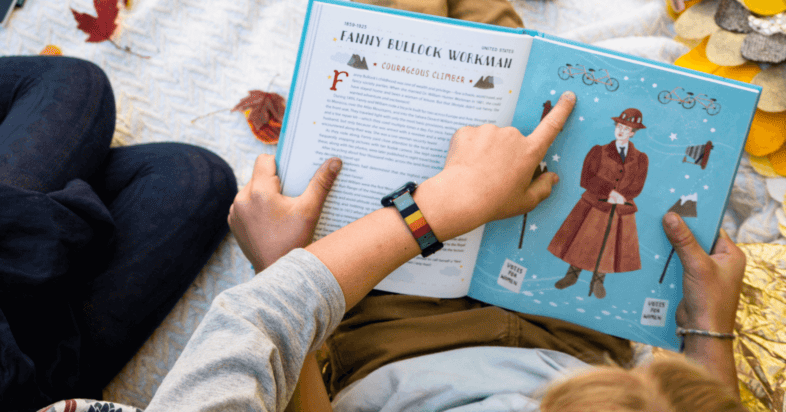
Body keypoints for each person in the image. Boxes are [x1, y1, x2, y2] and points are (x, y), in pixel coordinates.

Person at [143, 90, 747, 412]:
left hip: (395, 340)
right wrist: (708, 330)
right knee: (524, 92)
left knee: (409, 23)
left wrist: (438, 206)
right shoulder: (620, 392)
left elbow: (261, 329)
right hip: (577, 337)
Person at [0, 55, 237, 412]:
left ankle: (43, 213)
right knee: (195, 177)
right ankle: (44, 214)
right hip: (36, 379)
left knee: (77, 87)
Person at [549, 108, 650, 299]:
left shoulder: (641, 159)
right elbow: (586, 178)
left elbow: (637, 185)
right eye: (619, 126)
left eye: (626, 128)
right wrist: (607, 191)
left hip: (619, 210)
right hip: (594, 206)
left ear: (633, 133)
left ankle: (598, 281)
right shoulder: (599, 151)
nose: (621, 131)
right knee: (584, 241)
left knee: (609, 246)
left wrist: (622, 196)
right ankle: (571, 276)